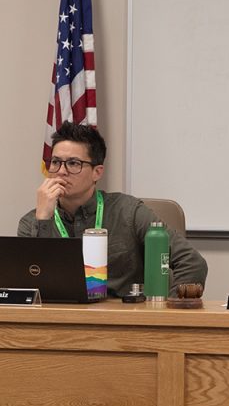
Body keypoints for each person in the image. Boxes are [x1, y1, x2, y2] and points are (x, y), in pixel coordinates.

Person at [18, 122, 208, 297]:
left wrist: (164, 311)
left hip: (122, 324)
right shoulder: (31, 222)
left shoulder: (129, 212)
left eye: (73, 163)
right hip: (59, 324)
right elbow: (28, 286)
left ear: (97, 172)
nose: (61, 171)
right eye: (56, 162)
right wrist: (43, 219)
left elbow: (192, 264)